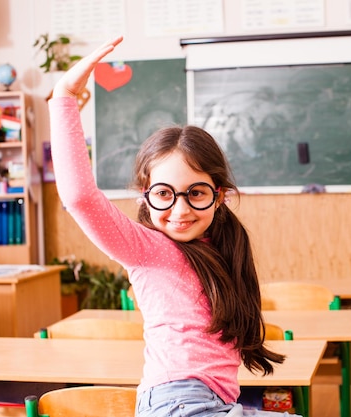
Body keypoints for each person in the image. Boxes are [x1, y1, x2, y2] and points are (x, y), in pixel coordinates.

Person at [49, 36, 297, 417]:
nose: (180, 210)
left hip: (214, 403)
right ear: (145, 196)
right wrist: (65, 96)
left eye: (195, 193)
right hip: (176, 404)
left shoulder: (225, 245)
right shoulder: (147, 249)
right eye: (165, 193)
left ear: (220, 194)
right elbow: (80, 197)